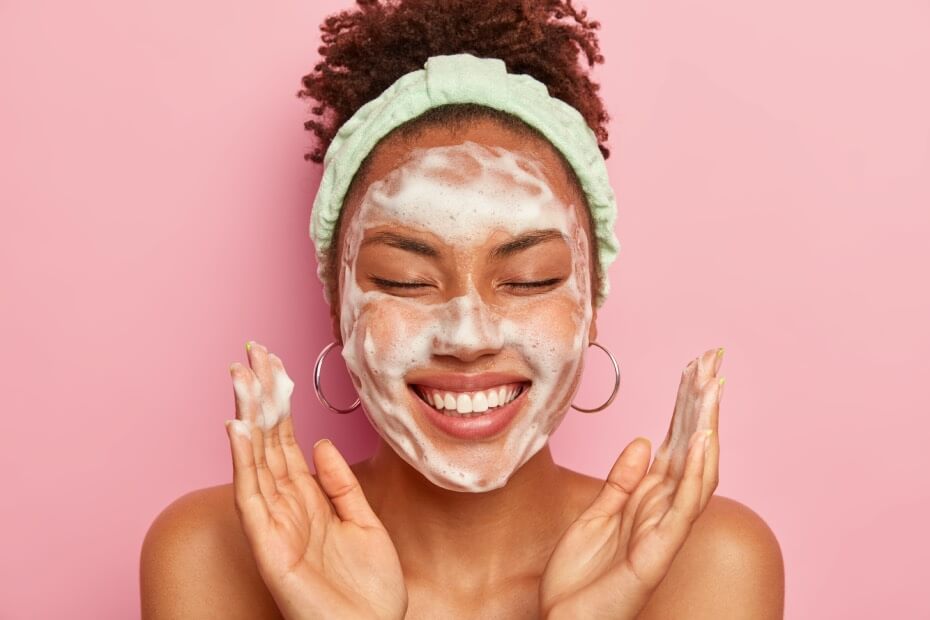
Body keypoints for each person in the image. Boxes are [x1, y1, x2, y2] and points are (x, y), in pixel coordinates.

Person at [140, 1, 784, 618]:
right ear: (341, 303)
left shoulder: (710, 561)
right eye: (407, 280)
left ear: (590, 301)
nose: (468, 335)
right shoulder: (212, 552)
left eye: (530, 280)